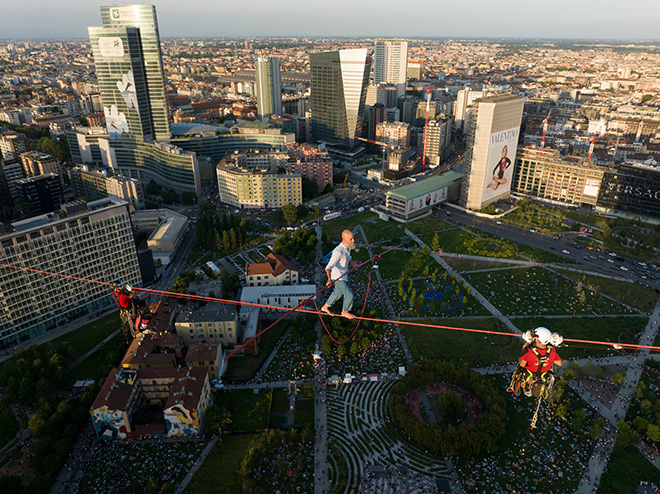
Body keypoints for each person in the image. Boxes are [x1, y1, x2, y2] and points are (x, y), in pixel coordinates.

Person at [321, 229, 359, 319]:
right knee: (349, 295)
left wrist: (353, 265)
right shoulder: (338, 251)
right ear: (344, 239)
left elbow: (348, 257)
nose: (353, 241)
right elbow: (328, 267)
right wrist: (329, 280)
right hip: (338, 277)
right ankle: (345, 311)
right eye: (351, 239)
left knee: (337, 292)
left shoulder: (347, 247)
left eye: (353, 238)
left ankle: (325, 307)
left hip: (343, 275)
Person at [517, 327, 563, 397]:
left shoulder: (528, 351)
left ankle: (528, 384)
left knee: (521, 371)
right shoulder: (553, 351)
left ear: (538, 340)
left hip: (530, 374)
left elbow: (521, 364)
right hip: (543, 375)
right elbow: (559, 363)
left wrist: (526, 345)